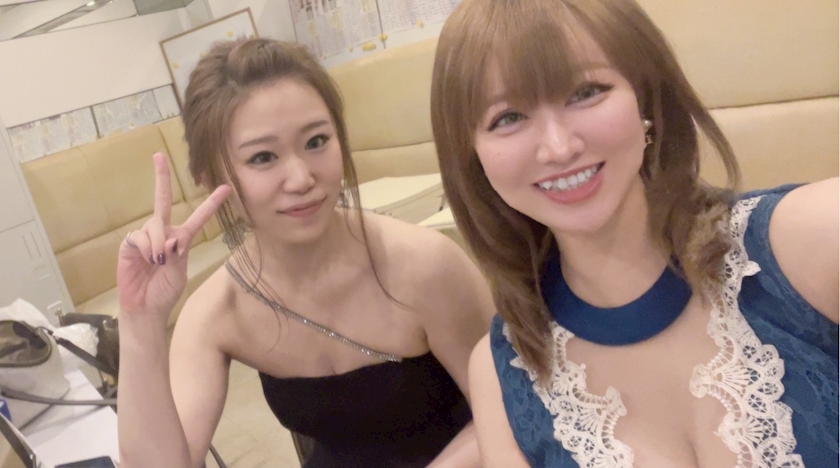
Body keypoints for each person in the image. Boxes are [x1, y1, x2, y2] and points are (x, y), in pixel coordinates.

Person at [429, 0, 839, 466]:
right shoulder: (500, 374)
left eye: (586, 92)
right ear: (473, 157)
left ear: (646, 100)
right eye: (508, 118)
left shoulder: (810, 238)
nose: (559, 148)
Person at [116, 38, 493, 468]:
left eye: (316, 141)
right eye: (263, 157)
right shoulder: (218, 311)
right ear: (209, 178)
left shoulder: (426, 265)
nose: (300, 178)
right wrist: (140, 322)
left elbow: (512, 410)